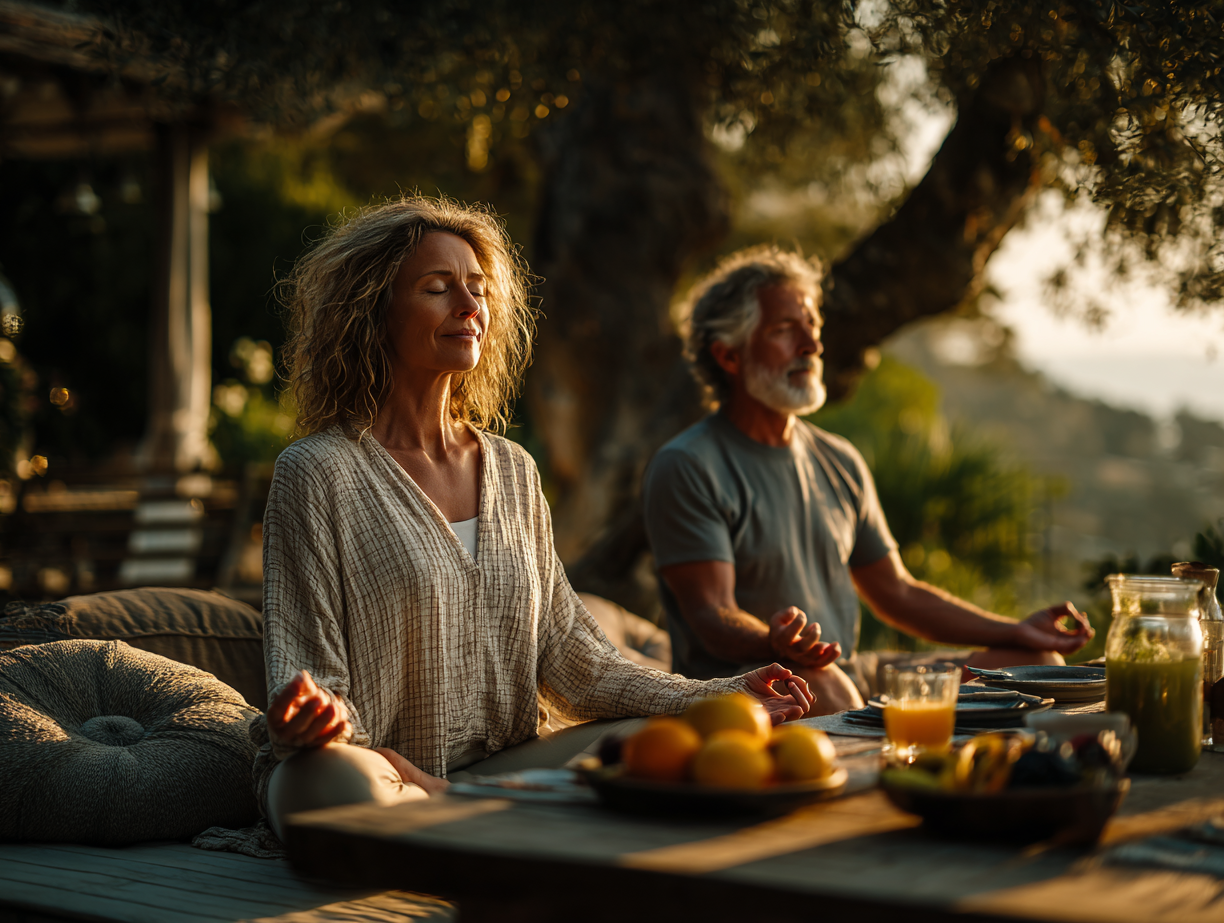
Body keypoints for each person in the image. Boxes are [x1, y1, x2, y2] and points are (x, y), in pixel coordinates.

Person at [254, 198, 813, 838]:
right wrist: (314, 721)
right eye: (437, 289)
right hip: (375, 770)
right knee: (329, 788)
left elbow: (577, 660)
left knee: (654, 744)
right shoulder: (318, 471)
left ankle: (470, 822)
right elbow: (306, 674)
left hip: (497, 765)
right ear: (373, 312)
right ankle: (491, 823)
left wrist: (718, 695)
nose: (469, 307)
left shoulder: (513, 471)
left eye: (479, 289)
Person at [642, 246, 1093, 716]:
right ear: (729, 356)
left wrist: (1014, 630)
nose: (812, 346)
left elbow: (896, 593)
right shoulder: (687, 465)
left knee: (1036, 661)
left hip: (849, 673)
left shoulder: (839, 459)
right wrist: (773, 641)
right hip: (756, 686)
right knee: (831, 691)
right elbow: (709, 615)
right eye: (783, 330)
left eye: (812, 327)